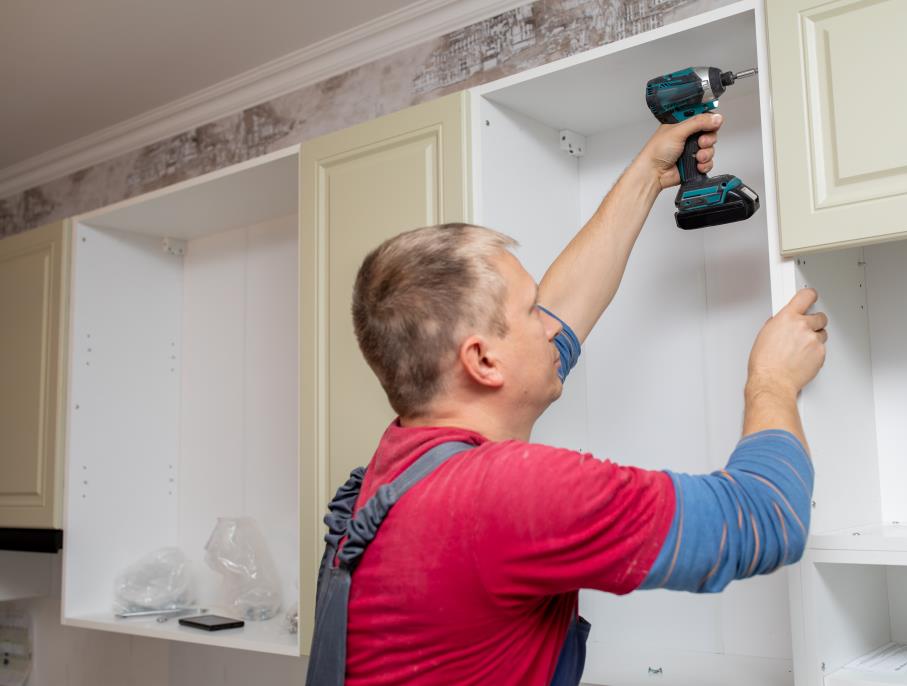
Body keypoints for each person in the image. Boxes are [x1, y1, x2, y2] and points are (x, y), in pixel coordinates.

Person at [306, 112, 828, 686]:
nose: (550, 326)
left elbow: (558, 321)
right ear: (482, 361)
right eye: (531, 311)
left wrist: (649, 174)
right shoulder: (509, 494)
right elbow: (765, 520)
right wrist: (772, 381)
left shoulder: (391, 477)